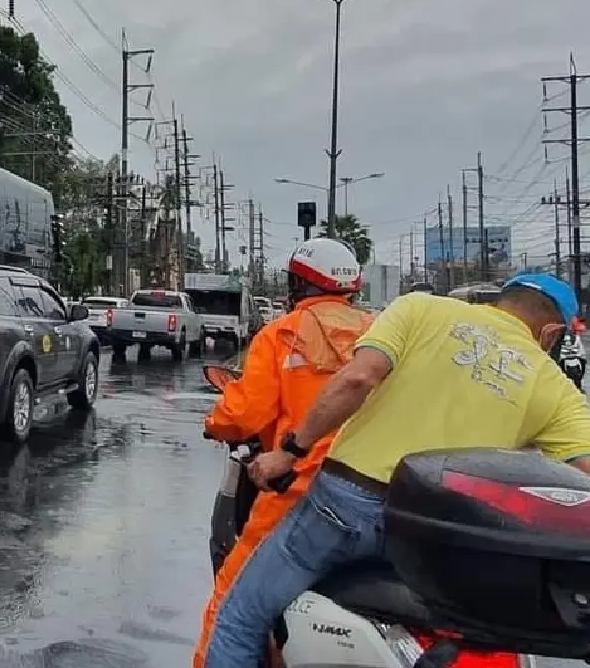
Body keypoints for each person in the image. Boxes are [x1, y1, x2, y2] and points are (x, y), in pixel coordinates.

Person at [199, 273, 590, 668]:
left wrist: (289, 452)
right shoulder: (554, 386)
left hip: (347, 507)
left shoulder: (419, 309)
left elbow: (357, 378)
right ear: (552, 331)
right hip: (440, 538)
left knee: (241, 617)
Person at [194, 238, 374, 668]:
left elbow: (244, 412)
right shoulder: (378, 334)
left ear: (299, 284)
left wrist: (215, 424)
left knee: (232, 609)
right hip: (374, 494)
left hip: (297, 491)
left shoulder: (283, 333)